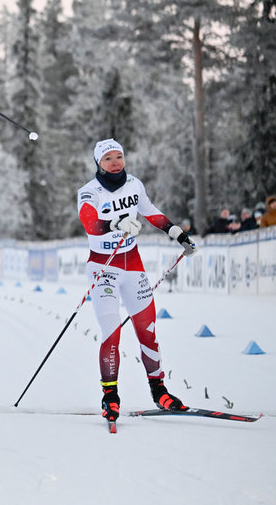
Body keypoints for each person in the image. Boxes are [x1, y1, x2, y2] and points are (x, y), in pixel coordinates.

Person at [77, 138, 197, 424]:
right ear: (98, 163)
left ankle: (160, 392)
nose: (115, 162)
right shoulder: (89, 191)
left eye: (119, 156)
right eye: (108, 158)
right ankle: (110, 397)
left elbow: (151, 212)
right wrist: (116, 224)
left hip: (132, 263)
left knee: (148, 329)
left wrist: (176, 232)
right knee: (111, 330)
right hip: (103, 266)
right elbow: (89, 222)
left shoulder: (134, 184)